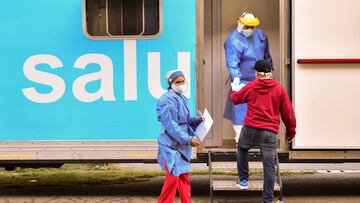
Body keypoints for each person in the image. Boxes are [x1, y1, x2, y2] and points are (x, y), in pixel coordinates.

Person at [230, 60, 296, 203]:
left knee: (242, 148)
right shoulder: (279, 89)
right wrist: (291, 132)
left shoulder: (251, 86)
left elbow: (235, 100)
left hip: (250, 129)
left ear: (257, 73)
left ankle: (243, 180)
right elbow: (288, 114)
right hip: (269, 133)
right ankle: (267, 200)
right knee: (269, 167)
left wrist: (234, 89)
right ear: (270, 73)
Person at [224, 12, 273, 144]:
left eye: (252, 27)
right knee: (240, 110)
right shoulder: (233, 40)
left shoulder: (261, 35)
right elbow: (232, 61)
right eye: (247, 27)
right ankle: (240, 139)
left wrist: (269, 71)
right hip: (242, 80)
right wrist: (236, 78)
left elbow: (266, 55)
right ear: (240, 24)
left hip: (260, 79)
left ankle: (260, 139)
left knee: (261, 109)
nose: (250, 30)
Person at [156, 70, 202, 203]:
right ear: (171, 83)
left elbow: (185, 122)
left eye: (183, 81)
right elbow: (171, 125)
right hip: (171, 145)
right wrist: (188, 139)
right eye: (178, 82)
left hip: (180, 145)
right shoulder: (166, 99)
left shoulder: (181, 97)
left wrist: (198, 120)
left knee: (183, 177)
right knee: (173, 178)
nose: (181, 84)